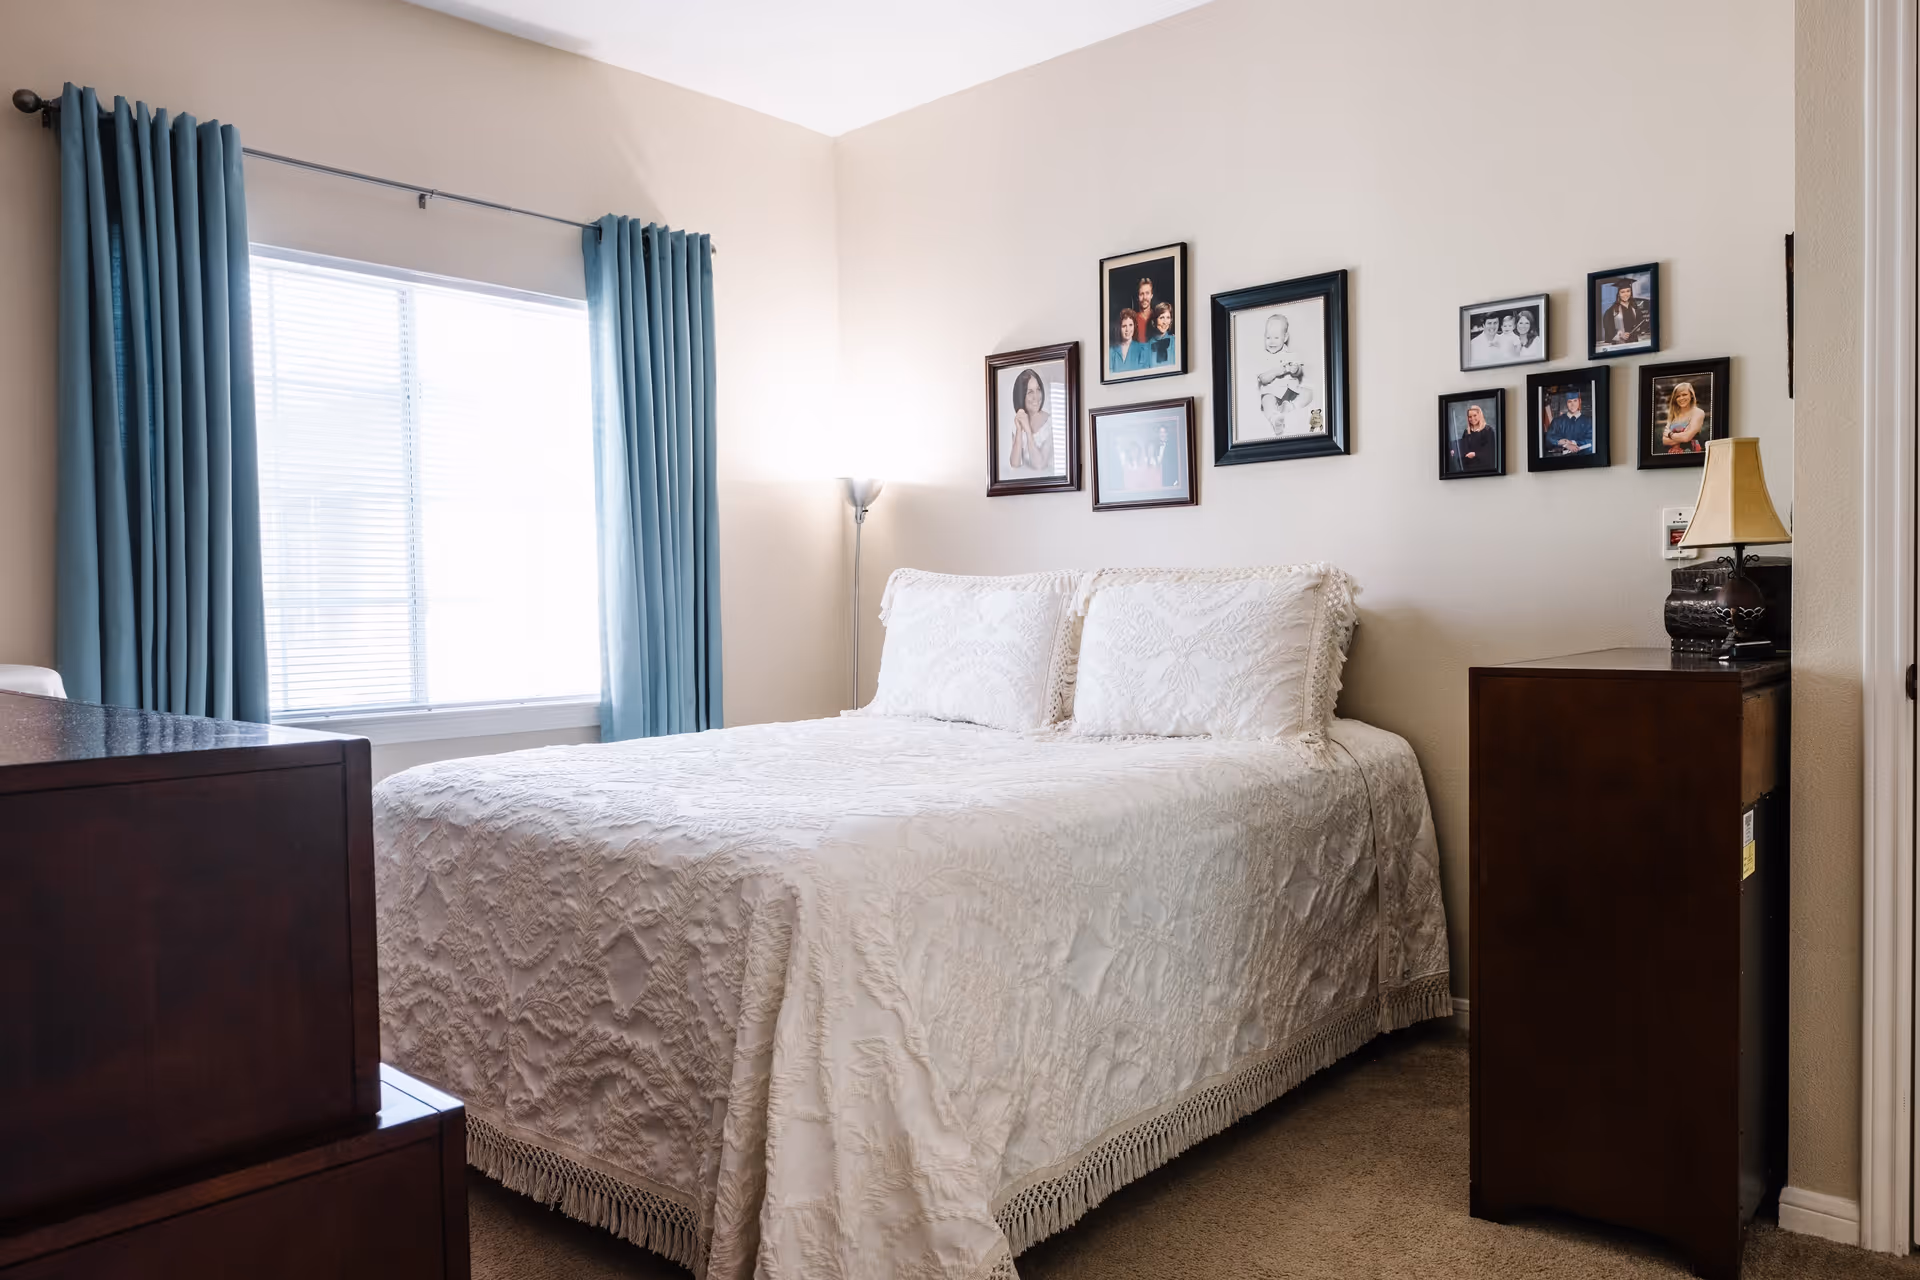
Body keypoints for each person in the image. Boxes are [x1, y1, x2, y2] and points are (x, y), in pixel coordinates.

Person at [1255, 312, 1314, 434]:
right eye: (1268, 337)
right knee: (1266, 401)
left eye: (1276, 338)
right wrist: (1276, 372)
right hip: (1272, 391)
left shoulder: (1291, 355)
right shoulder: (1263, 356)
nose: (1271, 342)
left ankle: (1290, 406)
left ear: (1285, 337)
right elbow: (1263, 379)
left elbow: (1299, 372)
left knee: (1308, 393)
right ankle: (1274, 418)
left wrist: (1295, 369)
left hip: (1292, 390)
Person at [1006, 368, 1053, 472]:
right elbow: (1015, 464)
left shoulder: (1050, 423)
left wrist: (1028, 431)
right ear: (1021, 396)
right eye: (1030, 392)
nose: (1036, 397)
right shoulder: (1016, 423)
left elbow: (1040, 466)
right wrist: (1019, 430)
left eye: (1038, 389)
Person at [1599, 279, 1650, 348]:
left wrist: (1641, 329)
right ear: (1618, 294)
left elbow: (1641, 324)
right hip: (1620, 346)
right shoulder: (1611, 311)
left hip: (1634, 343)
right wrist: (1620, 335)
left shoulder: (1635, 308)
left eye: (1628, 291)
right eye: (1622, 292)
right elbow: (1608, 331)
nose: (1626, 294)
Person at [1660, 380, 1707, 453]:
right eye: (1678, 396)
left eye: (1684, 394)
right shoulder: (1673, 414)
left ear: (1691, 395)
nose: (1681, 398)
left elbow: (1686, 437)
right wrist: (1682, 436)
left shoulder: (1698, 412)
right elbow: (1664, 441)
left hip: (1692, 453)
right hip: (1674, 454)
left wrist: (1670, 434)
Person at [1544, 390, 1593, 454]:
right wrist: (1565, 444)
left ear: (1580, 401)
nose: (1573, 405)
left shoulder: (1589, 421)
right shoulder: (1557, 421)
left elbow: (1592, 439)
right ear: (1566, 403)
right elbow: (1549, 439)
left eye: (1575, 401)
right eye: (1569, 401)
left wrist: (1573, 443)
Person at [1455, 402, 1498, 472]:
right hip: (1468, 467)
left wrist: (1475, 454)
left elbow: (1490, 450)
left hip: (1483, 467)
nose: (1472, 418)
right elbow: (1463, 448)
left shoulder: (1488, 430)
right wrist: (1455, 451)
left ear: (1479, 415)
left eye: (1475, 415)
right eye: (1470, 417)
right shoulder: (1466, 432)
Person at [1147, 301, 1177, 366]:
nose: (1165, 322)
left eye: (1168, 318)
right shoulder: (1147, 346)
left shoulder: (1175, 342)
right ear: (1154, 321)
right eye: (1162, 318)